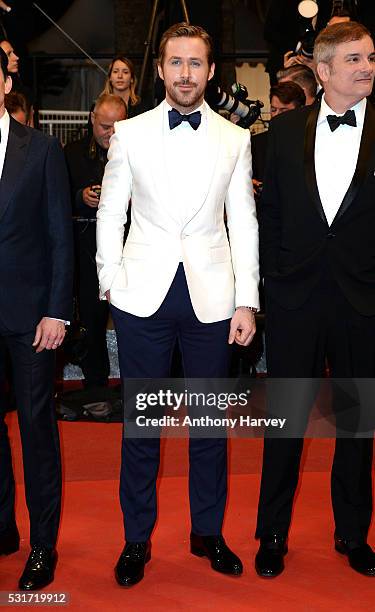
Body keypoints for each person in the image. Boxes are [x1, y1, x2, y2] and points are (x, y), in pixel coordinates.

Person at [96, 22, 259, 587]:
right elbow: (109, 212)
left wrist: (247, 301)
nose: (186, 73)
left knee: (210, 426)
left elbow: (244, 222)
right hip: (142, 296)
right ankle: (136, 539)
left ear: (211, 72)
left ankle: (207, 533)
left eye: (196, 63)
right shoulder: (131, 133)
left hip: (212, 299)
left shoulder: (236, 140)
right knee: (142, 426)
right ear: (160, 69)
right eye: (176, 63)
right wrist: (109, 283)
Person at [255, 21, 375, 579]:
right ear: (322, 71)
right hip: (295, 301)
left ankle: (353, 534)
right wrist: (275, 284)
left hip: (362, 303)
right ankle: (272, 534)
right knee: (286, 422)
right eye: (353, 59)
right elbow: (269, 216)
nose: (366, 66)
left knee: (355, 425)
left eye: (370, 57)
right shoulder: (281, 135)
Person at [0, 48, 73, 589]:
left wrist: (57, 311)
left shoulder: (42, 149)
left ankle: (43, 544)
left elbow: (59, 235)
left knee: (36, 430)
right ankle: (2, 526)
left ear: (6, 82)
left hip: (30, 319)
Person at [64, 94, 127, 393]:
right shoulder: (72, 152)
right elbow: (57, 199)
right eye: (104, 126)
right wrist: (81, 197)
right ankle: (95, 389)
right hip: (87, 253)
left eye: (118, 126)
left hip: (130, 254)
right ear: (92, 119)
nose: (110, 133)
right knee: (91, 324)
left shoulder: (137, 151)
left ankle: (136, 390)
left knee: (133, 327)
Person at [252, 81, 306, 188]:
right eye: (273, 110)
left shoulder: (310, 142)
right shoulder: (256, 143)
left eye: (283, 110)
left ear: (300, 110)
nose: (276, 115)